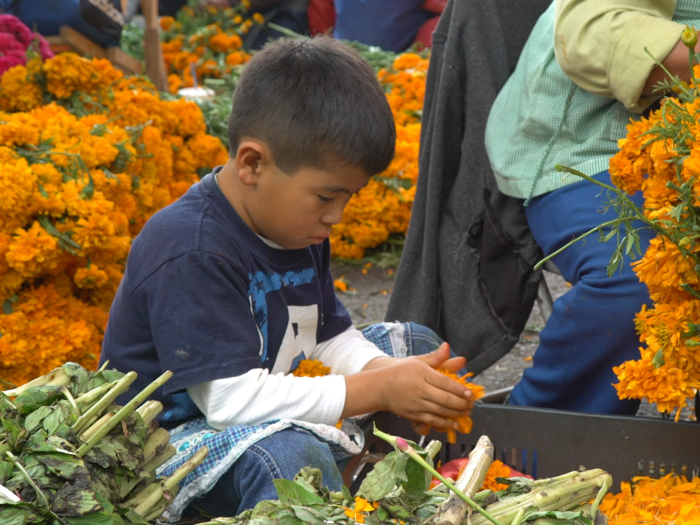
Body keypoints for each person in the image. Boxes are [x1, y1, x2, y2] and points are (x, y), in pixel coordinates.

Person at [100, 37, 475, 518]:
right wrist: (379, 390)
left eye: (348, 198)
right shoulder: (190, 247)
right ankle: (331, 481)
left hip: (268, 392)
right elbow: (229, 402)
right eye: (326, 197)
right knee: (290, 460)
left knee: (415, 348)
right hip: (173, 450)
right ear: (253, 163)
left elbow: (324, 336)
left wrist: (384, 371)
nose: (336, 217)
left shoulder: (295, 227)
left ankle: (370, 479)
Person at [484, 0, 700, 414]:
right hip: (592, 148)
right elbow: (592, 33)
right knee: (637, 278)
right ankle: (530, 445)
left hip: (684, 153)